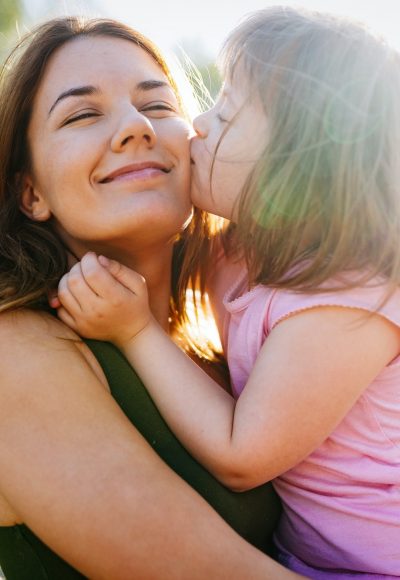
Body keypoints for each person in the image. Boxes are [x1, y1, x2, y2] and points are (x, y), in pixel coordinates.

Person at [57, 7, 400, 579]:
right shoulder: (242, 254)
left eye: (228, 114)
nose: (199, 125)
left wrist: (135, 330)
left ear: (297, 166)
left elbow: (244, 456)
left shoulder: (348, 302)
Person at [0, 15, 305, 580]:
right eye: (83, 114)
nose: (136, 127)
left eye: (159, 106)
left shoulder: (224, 349)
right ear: (31, 192)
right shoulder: (15, 351)